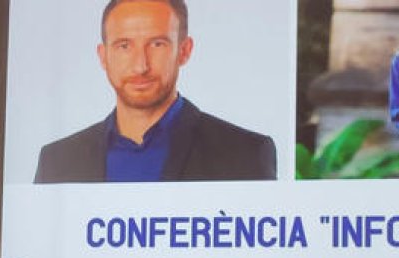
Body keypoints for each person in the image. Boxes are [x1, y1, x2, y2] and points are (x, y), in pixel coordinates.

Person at [34, 0, 276, 183]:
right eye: (124, 46)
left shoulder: (245, 153)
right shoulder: (57, 159)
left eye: (157, 44)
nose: (141, 65)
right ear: (103, 56)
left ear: (184, 51)